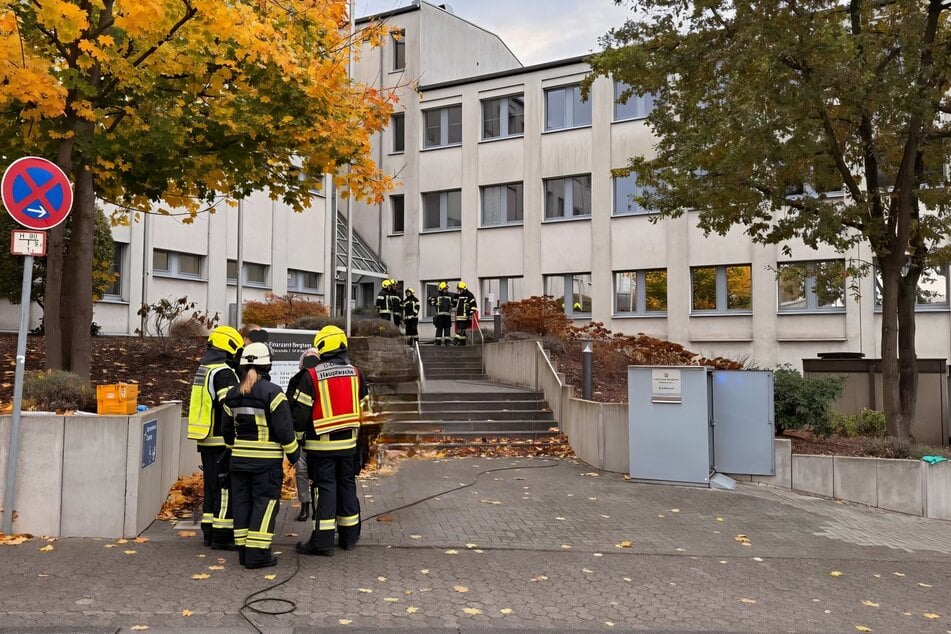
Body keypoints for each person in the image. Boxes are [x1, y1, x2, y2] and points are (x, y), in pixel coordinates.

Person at [290, 326, 369, 556]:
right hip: (349, 446)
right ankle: (349, 537)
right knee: (347, 486)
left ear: (323, 346)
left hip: (321, 447)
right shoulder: (356, 373)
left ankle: (322, 542)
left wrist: (294, 443)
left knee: (325, 489)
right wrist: (364, 444)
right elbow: (367, 409)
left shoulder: (311, 376)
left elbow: (300, 414)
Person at [221, 342, 300, 569]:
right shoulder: (274, 393)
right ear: (268, 365)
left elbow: (226, 430)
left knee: (242, 503)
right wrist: (295, 456)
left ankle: (244, 552)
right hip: (266, 462)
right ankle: (258, 554)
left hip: (238, 461)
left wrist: (232, 450)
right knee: (264, 505)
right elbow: (285, 430)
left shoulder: (232, 394)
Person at [187, 325, 243, 549]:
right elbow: (229, 406)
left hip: (206, 438)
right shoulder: (223, 372)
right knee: (224, 488)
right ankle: (222, 536)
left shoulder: (205, 369)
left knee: (211, 486)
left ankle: (209, 531)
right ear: (229, 347)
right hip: (221, 439)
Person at [286, 347, 321, 521]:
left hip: (319, 435)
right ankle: (305, 505)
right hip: (301, 435)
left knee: (318, 473)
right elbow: (291, 405)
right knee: (301, 472)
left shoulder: (322, 379)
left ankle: (318, 505)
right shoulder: (296, 380)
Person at [453, 281, 477, 346]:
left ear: (464, 289)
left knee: (461, 328)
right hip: (459, 316)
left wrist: (472, 311)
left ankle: (456, 340)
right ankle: (462, 342)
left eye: (460, 289)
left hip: (466, 316)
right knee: (463, 329)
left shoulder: (470, 295)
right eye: (459, 289)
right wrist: (454, 299)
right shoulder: (459, 295)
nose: (459, 291)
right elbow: (454, 305)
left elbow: (474, 305)